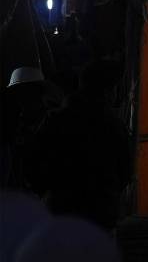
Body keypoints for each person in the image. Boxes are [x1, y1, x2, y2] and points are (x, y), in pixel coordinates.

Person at [26, 60, 131, 229]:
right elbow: (125, 170)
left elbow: (32, 164)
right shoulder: (113, 125)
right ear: (107, 91)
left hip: (61, 208)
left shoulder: (56, 121)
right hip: (101, 212)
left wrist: (47, 190)